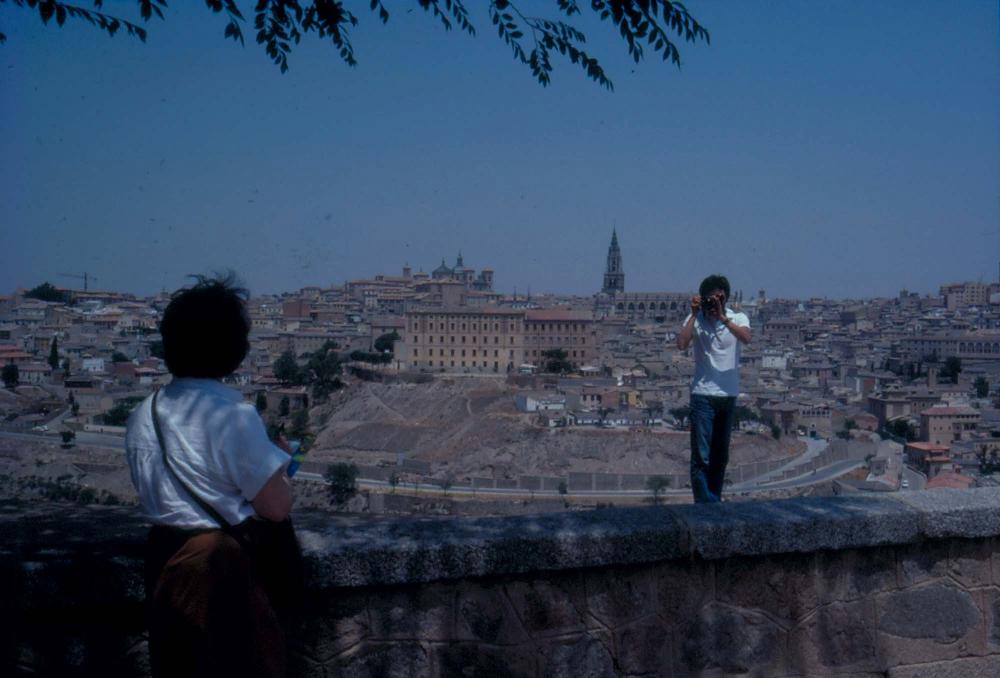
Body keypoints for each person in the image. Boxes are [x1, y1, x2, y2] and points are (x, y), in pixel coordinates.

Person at [125, 274, 299, 678]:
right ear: (234, 350)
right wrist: (283, 466)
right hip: (224, 575)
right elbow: (275, 508)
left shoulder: (142, 415)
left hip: (166, 567)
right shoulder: (233, 417)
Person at [676, 274, 751, 503]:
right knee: (701, 457)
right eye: (710, 298)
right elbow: (681, 344)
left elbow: (746, 338)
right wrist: (694, 313)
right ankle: (706, 507)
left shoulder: (738, 317)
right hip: (702, 395)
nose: (714, 302)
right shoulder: (696, 320)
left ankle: (713, 502)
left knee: (720, 457)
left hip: (727, 396)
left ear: (726, 297)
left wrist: (722, 318)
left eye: (718, 297)